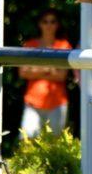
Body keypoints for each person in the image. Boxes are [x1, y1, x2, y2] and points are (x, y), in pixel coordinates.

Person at [19, 9, 73, 137]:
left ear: (57, 25)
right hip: (32, 101)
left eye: (52, 21)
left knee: (54, 144)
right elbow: (23, 72)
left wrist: (35, 68)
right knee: (27, 140)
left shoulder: (64, 45)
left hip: (57, 103)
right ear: (40, 24)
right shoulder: (29, 45)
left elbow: (61, 76)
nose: (49, 25)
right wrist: (49, 68)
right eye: (45, 21)